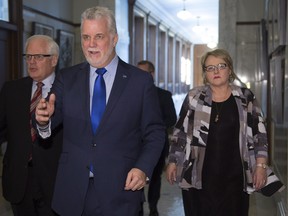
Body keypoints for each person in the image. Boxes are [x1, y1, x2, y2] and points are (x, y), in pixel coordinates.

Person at [35, 6, 165, 216]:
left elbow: (155, 132)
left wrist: (143, 168)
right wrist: (42, 120)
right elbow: (50, 117)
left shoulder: (139, 81)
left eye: (99, 36)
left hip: (121, 191)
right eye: (86, 37)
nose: (91, 44)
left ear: (114, 39)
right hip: (72, 191)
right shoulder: (67, 78)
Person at [166, 49, 284, 216]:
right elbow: (181, 132)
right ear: (205, 73)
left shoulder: (245, 97)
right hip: (197, 175)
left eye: (221, 66)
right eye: (210, 68)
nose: (216, 71)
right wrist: (172, 161)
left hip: (235, 176)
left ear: (230, 69)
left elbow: (260, 134)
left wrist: (261, 166)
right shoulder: (194, 97)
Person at [0, 35, 63, 216]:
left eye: (38, 57)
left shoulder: (68, 90)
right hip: (18, 179)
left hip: (55, 180)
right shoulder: (12, 89)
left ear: (54, 59)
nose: (32, 62)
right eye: (28, 57)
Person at [137, 60, 177, 216]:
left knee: (154, 179)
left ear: (151, 74)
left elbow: (172, 119)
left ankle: (153, 208)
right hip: (134, 145)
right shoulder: (129, 94)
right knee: (135, 177)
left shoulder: (164, 95)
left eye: (143, 73)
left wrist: (153, 127)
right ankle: (138, 209)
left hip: (157, 144)